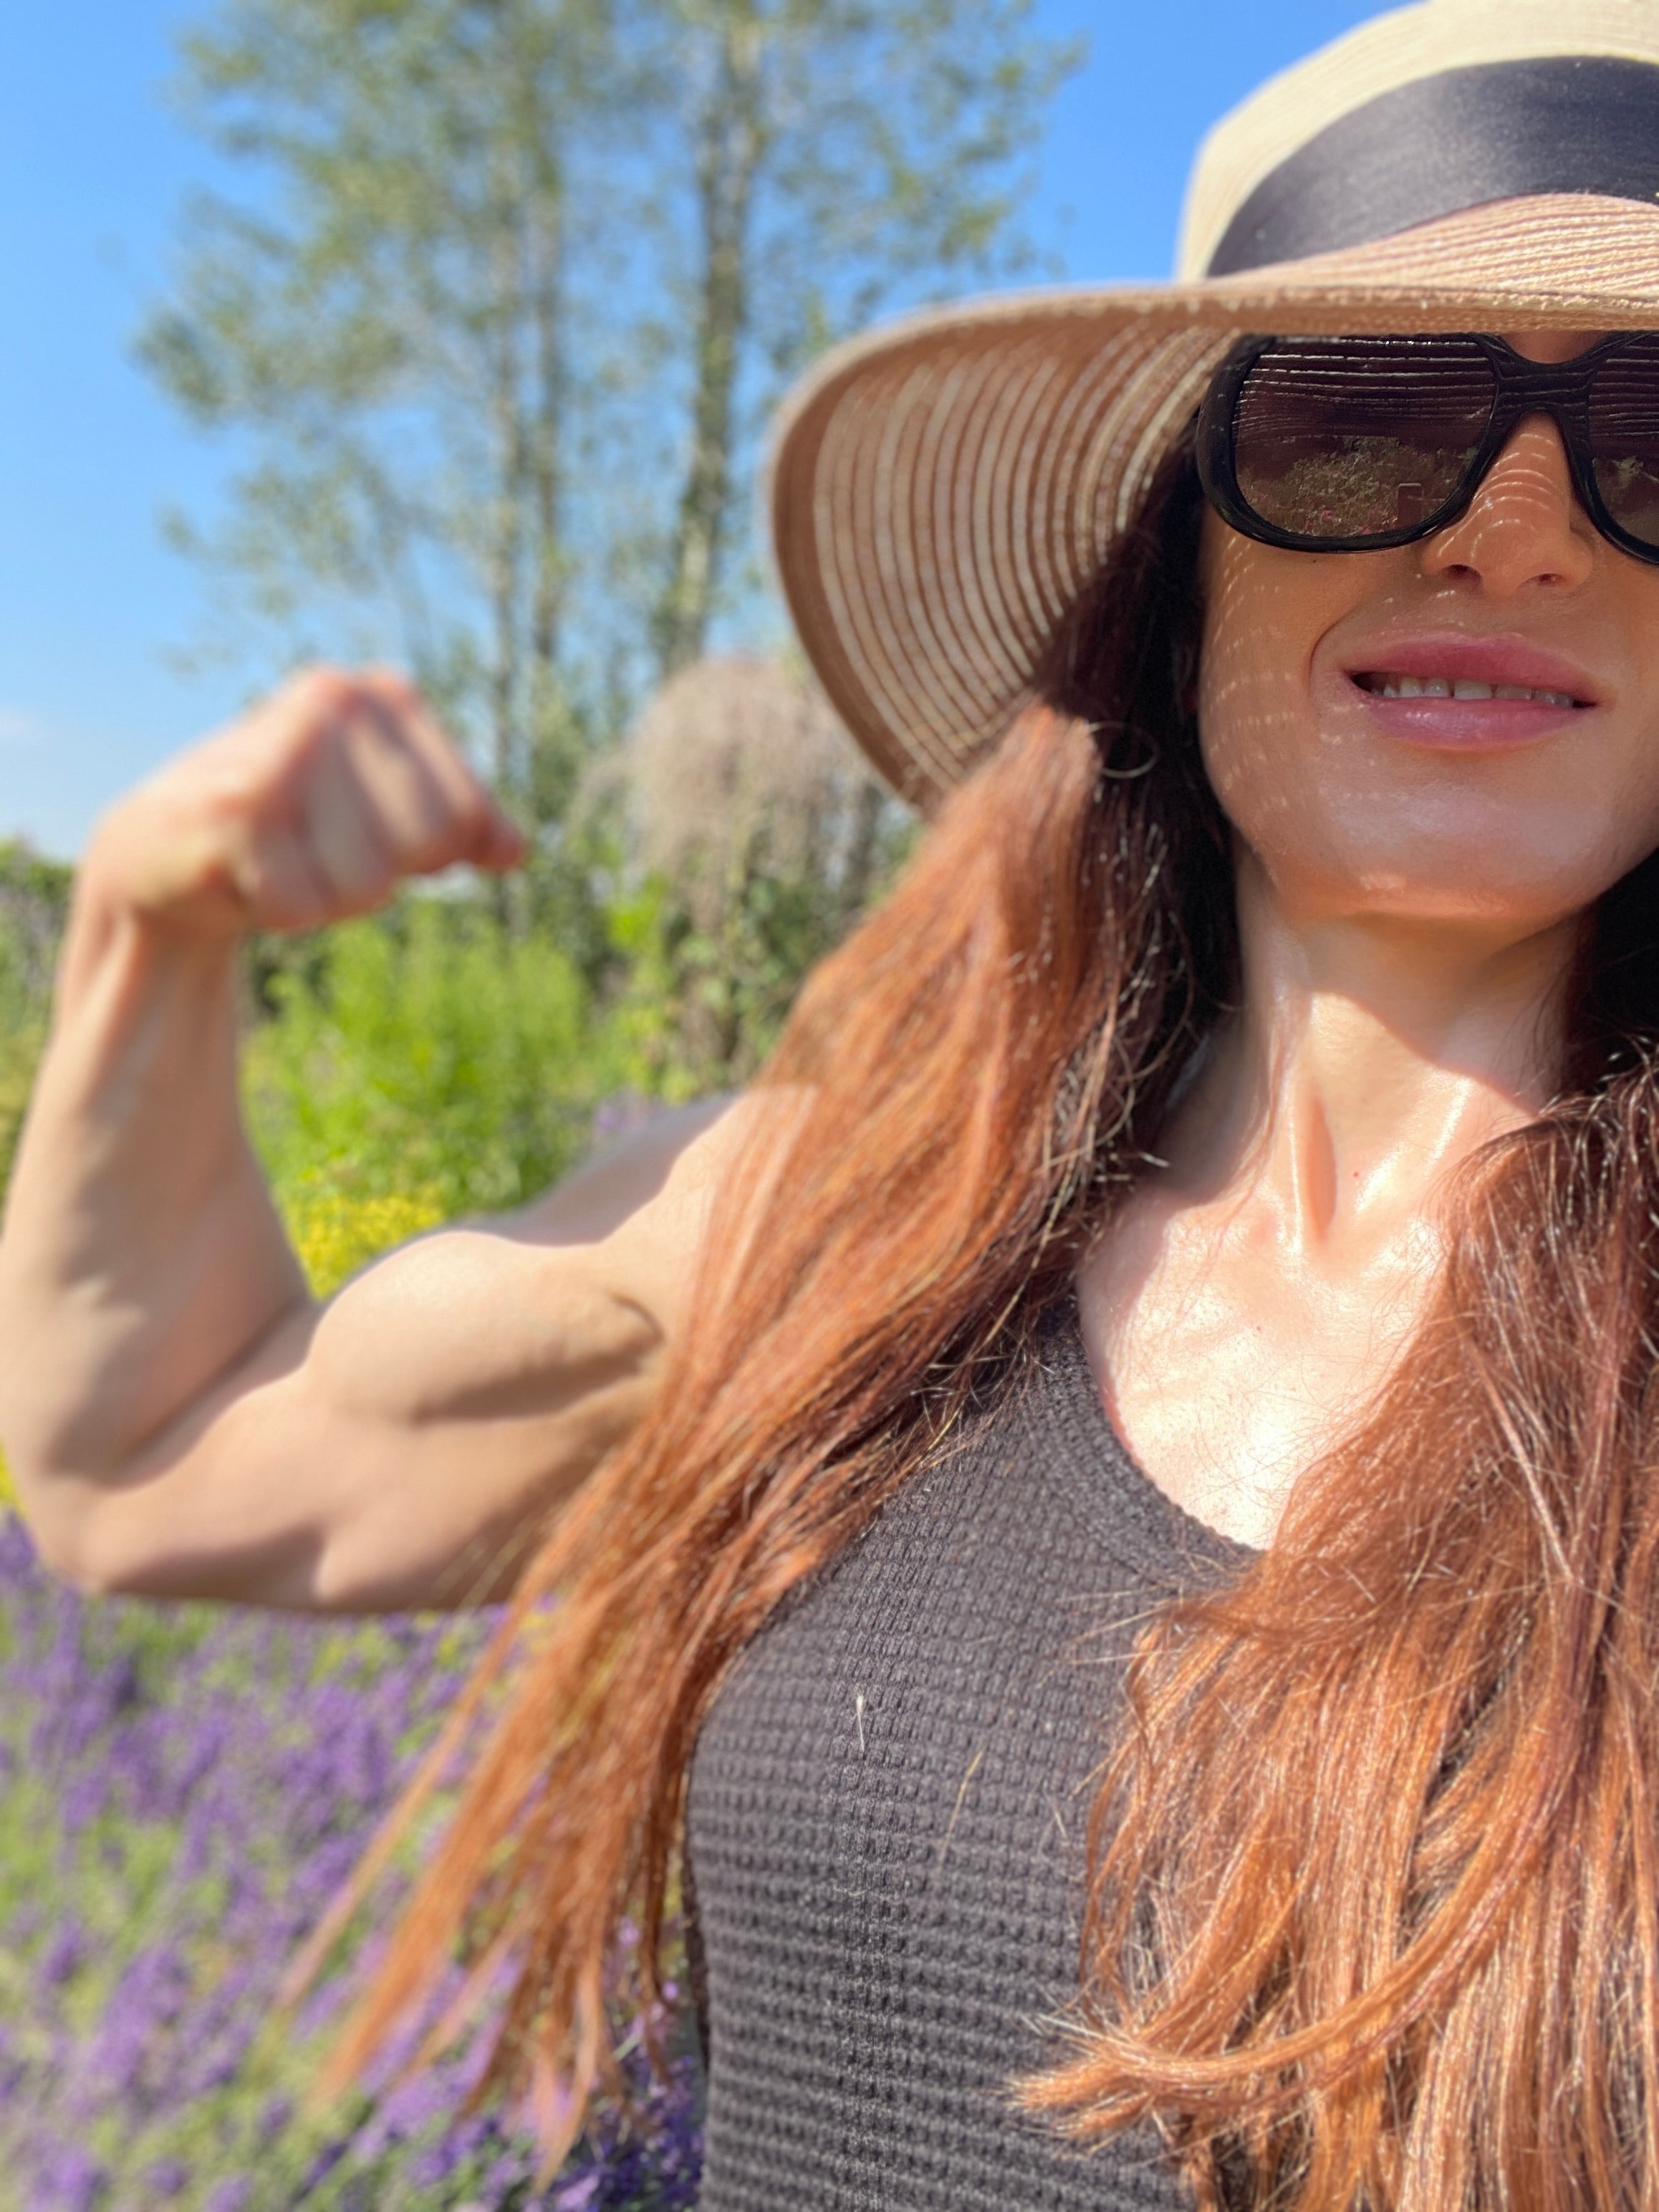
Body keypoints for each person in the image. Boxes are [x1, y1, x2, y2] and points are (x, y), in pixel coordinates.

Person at [8, 0, 1659, 2202]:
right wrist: (151, 942)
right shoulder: (843, 1230)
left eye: (1657, 442)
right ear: (1172, 567)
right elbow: (148, 1460)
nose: (1519, 535)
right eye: (1366, 422)